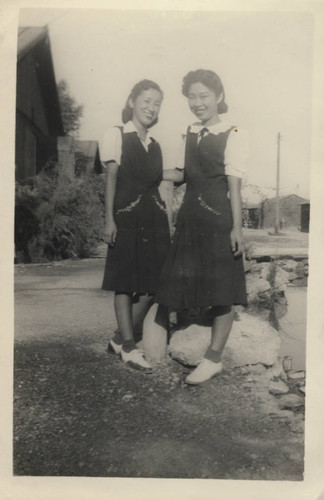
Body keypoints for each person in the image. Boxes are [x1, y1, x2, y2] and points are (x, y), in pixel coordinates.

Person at [155, 69, 249, 384]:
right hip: (190, 218)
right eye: (192, 97)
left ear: (218, 97)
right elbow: (184, 174)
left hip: (218, 219)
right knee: (173, 279)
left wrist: (237, 228)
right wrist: (149, 171)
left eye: (203, 96)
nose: (197, 103)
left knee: (223, 290)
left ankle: (213, 358)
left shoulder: (232, 132)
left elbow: (234, 185)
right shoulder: (191, 130)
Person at [101, 79, 174, 372]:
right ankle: (129, 348)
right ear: (132, 101)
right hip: (126, 215)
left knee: (156, 282)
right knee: (125, 281)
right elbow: (111, 180)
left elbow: (162, 177)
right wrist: (109, 218)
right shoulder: (117, 134)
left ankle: (120, 337)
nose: (151, 108)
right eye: (146, 101)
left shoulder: (155, 144)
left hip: (154, 218)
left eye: (157, 103)